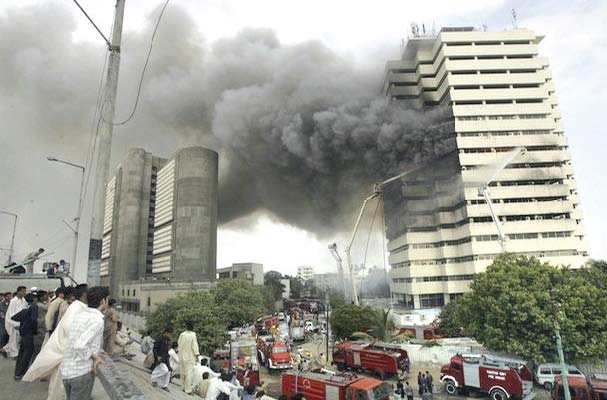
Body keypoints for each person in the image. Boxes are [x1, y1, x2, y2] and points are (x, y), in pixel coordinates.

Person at [22, 284, 88, 400]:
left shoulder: (75, 306)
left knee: (59, 387)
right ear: (83, 295)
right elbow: (57, 321)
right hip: (63, 347)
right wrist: (48, 329)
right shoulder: (71, 307)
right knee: (59, 388)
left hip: (60, 342)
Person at [60, 286, 109, 400]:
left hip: (67, 371)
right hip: (81, 373)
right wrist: (94, 356)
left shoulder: (80, 315)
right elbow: (80, 345)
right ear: (103, 301)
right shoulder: (97, 320)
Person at [12, 293, 38, 379]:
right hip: (29, 333)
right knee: (28, 353)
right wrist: (34, 330)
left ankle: (17, 372)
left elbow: (14, 317)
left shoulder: (25, 308)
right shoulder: (34, 307)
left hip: (23, 332)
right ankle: (21, 372)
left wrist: (24, 321)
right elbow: (34, 320)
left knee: (21, 353)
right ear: (33, 299)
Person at [2, 285, 27, 358]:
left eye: (25, 291)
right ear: (19, 292)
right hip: (14, 323)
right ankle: (14, 354)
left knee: (17, 339)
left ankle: (4, 349)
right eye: (23, 291)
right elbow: (11, 313)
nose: (24, 293)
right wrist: (14, 324)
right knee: (14, 339)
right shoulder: (13, 301)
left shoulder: (24, 300)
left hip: (21, 322)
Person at [178, 319, 200, 394]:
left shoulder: (182, 334)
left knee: (182, 372)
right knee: (188, 374)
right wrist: (197, 354)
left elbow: (179, 344)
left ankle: (182, 387)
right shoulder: (193, 335)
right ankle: (188, 390)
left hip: (181, 356)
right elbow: (194, 346)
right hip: (189, 357)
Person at [150, 326, 173, 392]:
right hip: (160, 358)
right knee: (165, 370)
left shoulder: (166, 341)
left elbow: (166, 353)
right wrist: (157, 357)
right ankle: (154, 378)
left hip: (165, 359)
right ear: (166, 333)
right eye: (169, 334)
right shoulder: (160, 339)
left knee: (168, 370)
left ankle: (164, 385)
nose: (170, 335)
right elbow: (154, 348)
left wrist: (169, 364)